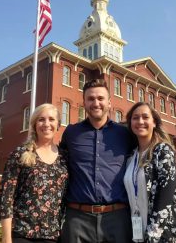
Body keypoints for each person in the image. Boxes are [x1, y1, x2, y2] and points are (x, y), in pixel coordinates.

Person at [60, 79, 135, 243]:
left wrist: (165, 153)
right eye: (91, 99)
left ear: (109, 102)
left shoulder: (125, 133)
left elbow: (144, 153)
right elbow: (56, 161)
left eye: (100, 98)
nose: (96, 103)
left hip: (117, 218)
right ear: (84, 103)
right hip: (78, 219)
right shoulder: (71, 133)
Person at [0, 103, 68, 243]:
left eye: (51, 119)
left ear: (58, 124)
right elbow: (6, 197)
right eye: (41, 119)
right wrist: (6, 238)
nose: (46, 124)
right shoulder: (20, 153)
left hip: (53, 236)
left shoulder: (65, 157)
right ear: (35, 124)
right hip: (22, 234)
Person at [124, 102, 176, 242]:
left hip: (164, 235)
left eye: (145, 117)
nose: (140, 121)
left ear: (154, 122)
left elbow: (164, 199)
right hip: (138, 232)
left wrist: (152, 236)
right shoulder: (131, 157)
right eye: (135, 118)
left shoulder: (163, 151)